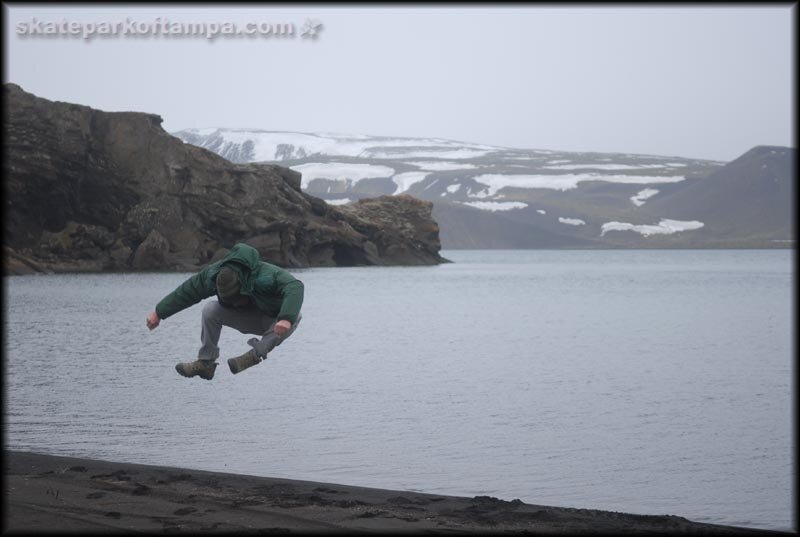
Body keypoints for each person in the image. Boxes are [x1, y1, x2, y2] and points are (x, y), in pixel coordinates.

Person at [146, 243, 304, 380]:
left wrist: (285, 318)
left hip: (271, 322)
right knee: (210, 309)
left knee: (295, 315)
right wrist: (159, 313)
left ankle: (254, 356)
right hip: (245, 317)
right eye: (228, 299)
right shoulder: (213, 275)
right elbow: (188, 291)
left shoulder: (265, 276)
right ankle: (205, 364)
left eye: (235, 298)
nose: (233, 302)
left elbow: (295, 286)